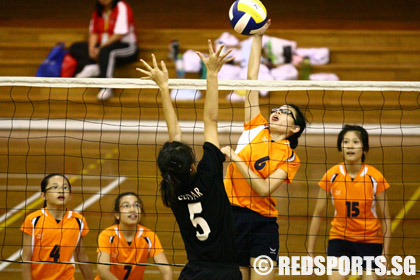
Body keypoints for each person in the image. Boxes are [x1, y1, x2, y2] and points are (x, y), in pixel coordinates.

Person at [136, 41, 241, 279]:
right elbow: (211, 121)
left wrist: (163, 87)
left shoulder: (171, 189)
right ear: (192, 165)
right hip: (225, 272)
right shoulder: (207, 176)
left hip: (193, 272)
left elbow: (178, 136)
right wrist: (212, 74)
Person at [221, 19, 307, 280]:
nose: (277, 112)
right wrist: (256, 37)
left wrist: (236, 158)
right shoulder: (255, 127)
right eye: (277, 109)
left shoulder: (291, 157)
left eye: (286, 113)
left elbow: (265, 188)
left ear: (294, 129)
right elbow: (252, 79)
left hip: (262, 222)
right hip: (231, 215)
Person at [307, 125, 391, 279]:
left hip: (370, 240)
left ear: (365, 149)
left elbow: (386, 218)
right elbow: (317, 215)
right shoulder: (331, 175)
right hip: (340, 239)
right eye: (345, 142)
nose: (350, 146)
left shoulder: (375, 177)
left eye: (355, 142)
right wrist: (310, 253)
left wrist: (384, 256)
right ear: (341, 147)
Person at [20, 173, 93, 280]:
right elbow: (26, 258)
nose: (61, 191)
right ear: (43, 195)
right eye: (55, 187)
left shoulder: (78, 221)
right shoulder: (33, 220)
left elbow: (82, 256)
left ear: (70, 196)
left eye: (65, 187)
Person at [70, 0, 138, 101]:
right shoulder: (98, 11)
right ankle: (92, 66)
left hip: (126, 46)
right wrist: (92, 49)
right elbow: (94, 32)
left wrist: (101, 48)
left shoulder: (121, 6)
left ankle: (106, 87)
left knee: (106, 52)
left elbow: (119, 34)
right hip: (103, 47)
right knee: (76, 47)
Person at [96, 192, 172, 280]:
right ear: (117, 215)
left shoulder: (149, 236)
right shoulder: (107, 235)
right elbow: (103, 271)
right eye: (126, 206)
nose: (133, 209)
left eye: (136, 205)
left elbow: (166, 270)